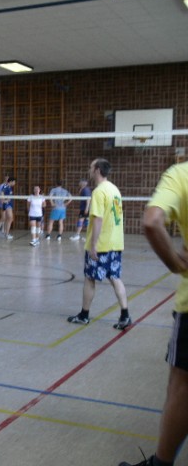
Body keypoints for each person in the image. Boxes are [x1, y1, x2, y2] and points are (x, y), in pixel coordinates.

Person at [119, 162, 188, 466]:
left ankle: (161, 464)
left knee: (182, 384)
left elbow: (151, 221)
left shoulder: (182, 174)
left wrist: (175, 263)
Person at [67, 158, 131, 329]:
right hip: (115, 243)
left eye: (91, 167)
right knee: (115, 277)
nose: (89, 170)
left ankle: (84, 315)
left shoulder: (99, 192)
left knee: (89, 279)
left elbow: (98, 220)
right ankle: (125, 315)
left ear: (97, 170)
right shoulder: (114, 189)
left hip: (102, 244)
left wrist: (93, 244)